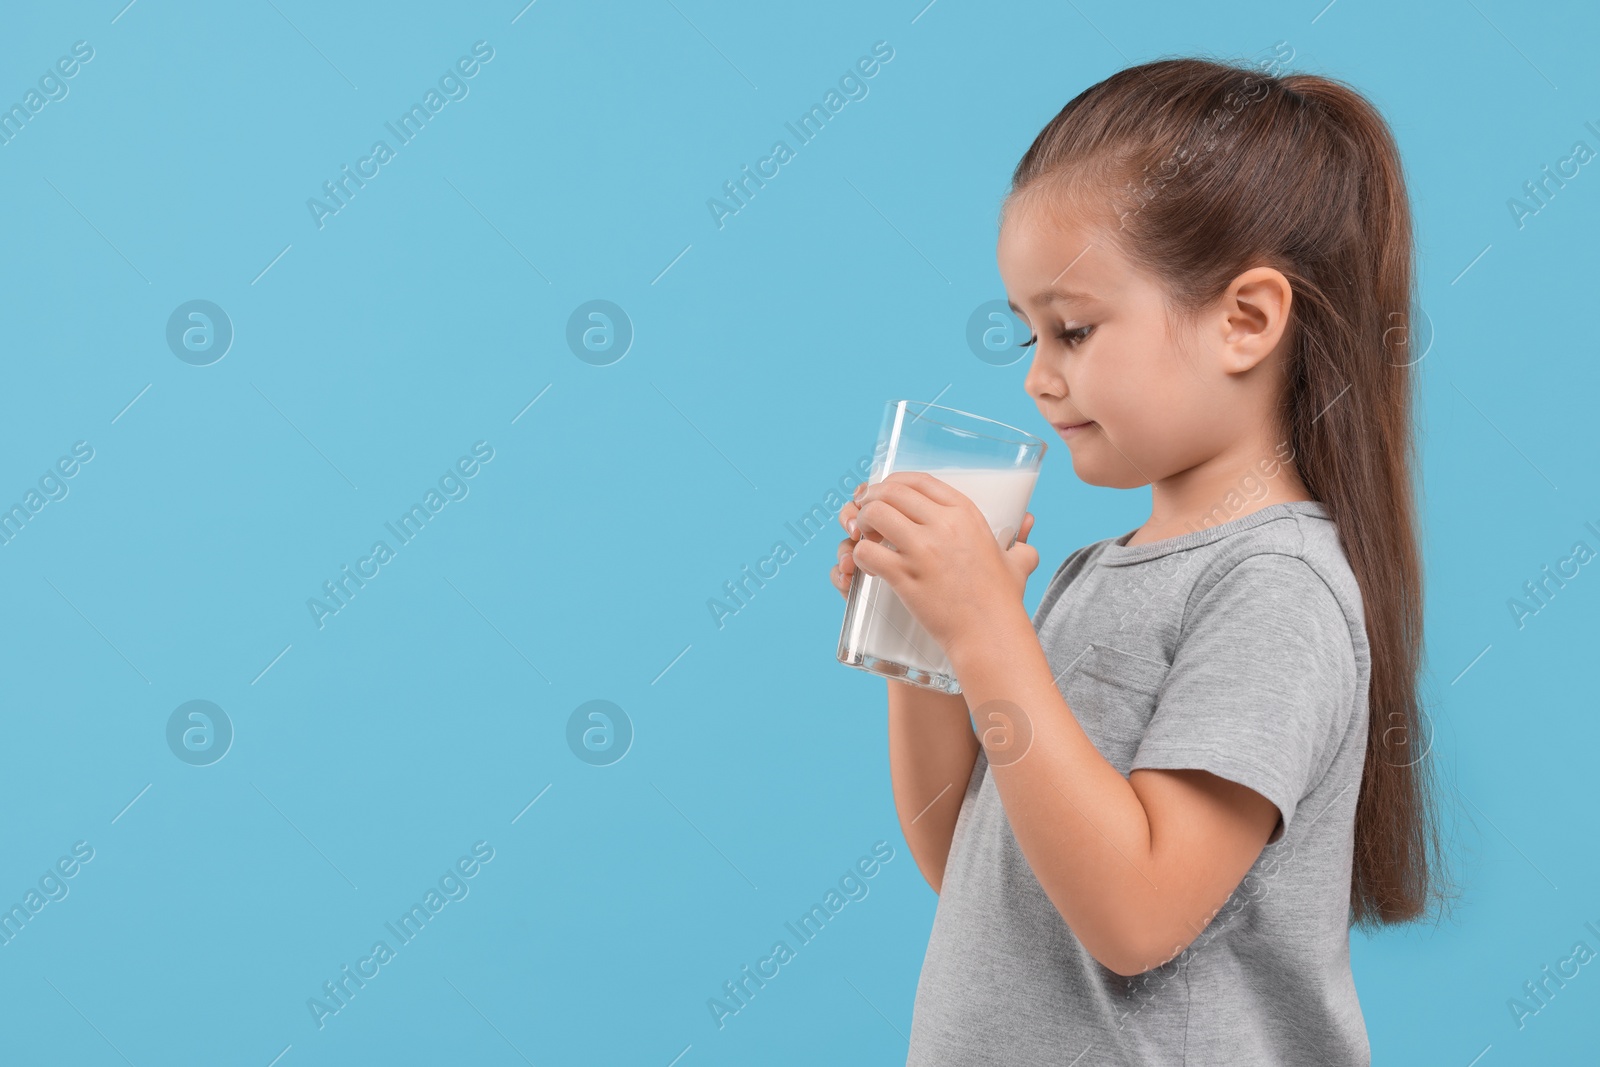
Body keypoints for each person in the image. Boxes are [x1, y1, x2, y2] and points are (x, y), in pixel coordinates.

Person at [828, 56, 1453, 1066]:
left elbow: (1134, 914)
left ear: (1245, 320)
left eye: (1072, 329)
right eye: (1028, 334)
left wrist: (989, 630)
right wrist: (927, 641)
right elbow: (973, 866)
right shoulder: (1098, 571)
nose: (1038, 376)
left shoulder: (1273, 589)